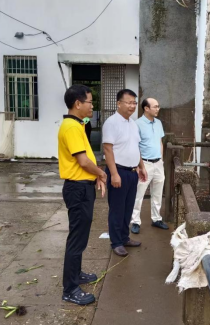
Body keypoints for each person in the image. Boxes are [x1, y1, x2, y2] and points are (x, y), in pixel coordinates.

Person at [58, 84, 107, 305]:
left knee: (81, 236)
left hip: (83, 187)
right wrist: (101, 173)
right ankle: (70, 289)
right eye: (89, 102)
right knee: (76, 239)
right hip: (77, 189)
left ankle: (76, 275)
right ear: (77, 103)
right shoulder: (70, 127)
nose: (92, 106)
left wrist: (95, 176)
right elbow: (83, 161)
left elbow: (86, 158)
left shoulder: (78, 124)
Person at [102, 89, 148, 257]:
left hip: (132, 172)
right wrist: (114, 174)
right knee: (117, 209)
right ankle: (116, 242)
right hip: (118, 171)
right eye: (129, 102)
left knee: (128, 207)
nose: (132, 106)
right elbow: (108, 149)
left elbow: (135, 147)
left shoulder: (133, 124)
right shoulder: (111, 123)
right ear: (119, 103)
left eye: (134, 103)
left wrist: (141, 166)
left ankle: (124, 237)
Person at [130, 98, 169, 234]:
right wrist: (139, 166)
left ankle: (156, 218)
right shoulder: (137, 124)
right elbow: (134, 146)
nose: (158, 109)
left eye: (158, 106)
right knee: (139, 194)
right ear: (146, 108)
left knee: (158, 193)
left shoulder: (158, 123)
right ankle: (135, 221)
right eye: (155, 106)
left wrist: (161, 160)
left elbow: (160, 142)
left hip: (158, 163)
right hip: (144, 163)